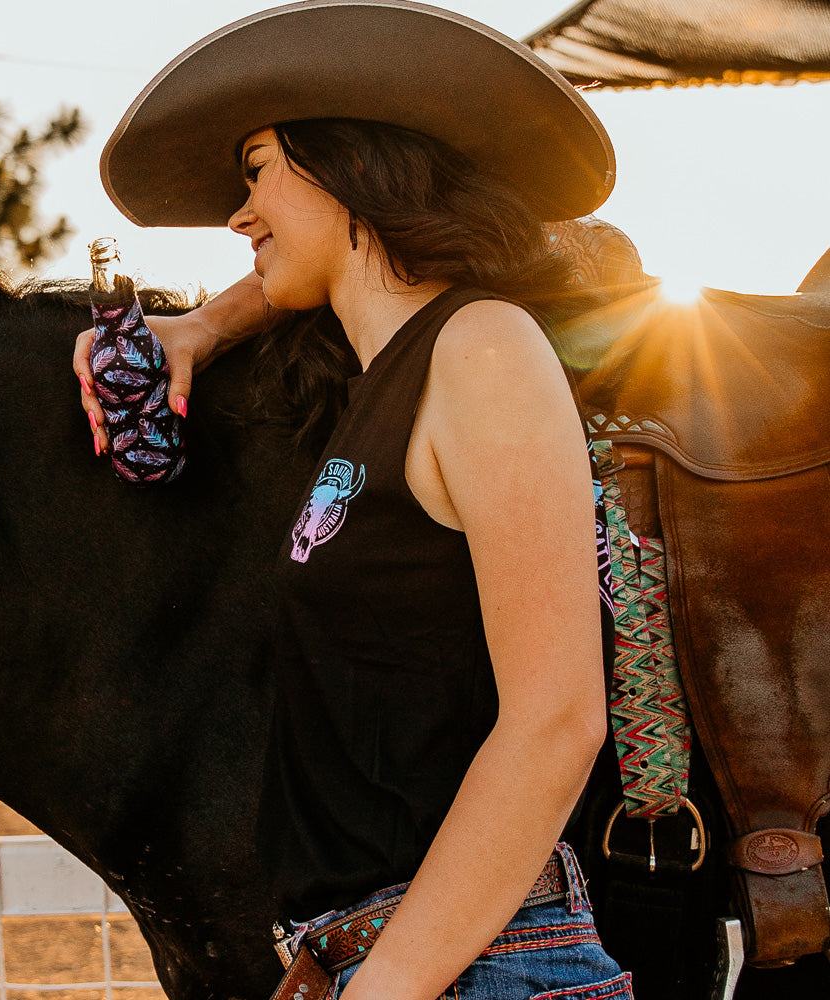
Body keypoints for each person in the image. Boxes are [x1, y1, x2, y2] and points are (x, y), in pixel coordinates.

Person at [74, 2, 630, 998]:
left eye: (255, 171)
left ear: (347, 166)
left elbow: (556, 718)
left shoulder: (483, 348)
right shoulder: (379, 383)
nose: (238, 216)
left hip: (469, 967)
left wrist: (387, 984)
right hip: (379, 956)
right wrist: (199, 326)